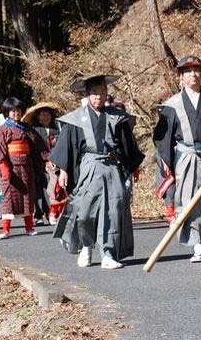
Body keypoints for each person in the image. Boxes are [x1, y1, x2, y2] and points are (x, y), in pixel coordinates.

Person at [51, 74, 144, 269]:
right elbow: (67, 147)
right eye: (94, 93)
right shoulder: (76, 119)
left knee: (113, 210)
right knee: (85, 211)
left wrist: (133, 166)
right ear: (87, 95)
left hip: (112, 167)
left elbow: (127, 145)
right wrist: (63, 170)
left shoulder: (117, 117)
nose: (99, 97)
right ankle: (86, 245)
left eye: (102, 92)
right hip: (88, 166)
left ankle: (108, 253)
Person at [153, 55, 201, 263]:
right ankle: (196, 245)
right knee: (188, 201)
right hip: (186, 157)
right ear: (181, 77)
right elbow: (163, 137)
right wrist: (166, 161)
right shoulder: (172, 105)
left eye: (197, 70)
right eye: (188, 71)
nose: (193, 74)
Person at [0, 97, 50, 239]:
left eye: (18, 110)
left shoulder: (27, 129)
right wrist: (4, 168)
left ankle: (29, 227)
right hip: (11, 168)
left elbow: (39, 146)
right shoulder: (2, 130)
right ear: (7, 112)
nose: (16, 113)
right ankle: (5, 229)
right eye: (13, 111)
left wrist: (47, 158)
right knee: (9, 198)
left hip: (27, 167)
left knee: (28, 197)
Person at [22, 102, 62, 226]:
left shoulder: (56, 130)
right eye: (42, 115)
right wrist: (44, 161)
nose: (45, 117)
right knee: (39, 190)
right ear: (38, 117)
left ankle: (52, 212)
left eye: (48, 114)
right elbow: (34, 149)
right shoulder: (34, 130)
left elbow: (60, 147)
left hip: (55, 164)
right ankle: (38, 215)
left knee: (53, 189)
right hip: (38, 164)